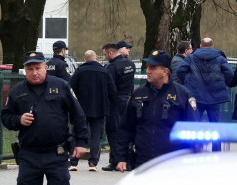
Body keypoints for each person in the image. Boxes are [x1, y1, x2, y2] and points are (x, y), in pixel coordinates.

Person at [0, 51, 89, 185]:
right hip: (29, 154)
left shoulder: (60, 86)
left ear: (44, 68)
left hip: (56, 153)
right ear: (25, 70)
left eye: (38, 68)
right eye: (30, 69)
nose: (34, 72)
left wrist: (82, 142)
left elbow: (78, 115)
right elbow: (6, 116)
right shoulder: (17, 91)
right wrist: (18, 119)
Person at [114, 51, 197, 170]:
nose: (148, 70)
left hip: (173, 162)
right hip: (142, 162)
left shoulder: (182, 95)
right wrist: (121, 157)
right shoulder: (138, 94)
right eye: (148, 67)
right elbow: (126, 128)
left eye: (153, 67)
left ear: (165, 71)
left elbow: (192, 129)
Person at [68, 50, 116, 171]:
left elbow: (71, 88)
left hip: (81, 109)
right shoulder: (104, 71)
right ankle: (93, 163)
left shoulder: (80, 71)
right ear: (96, 59)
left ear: (85, 59)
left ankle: (73, 162)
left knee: (77, 134)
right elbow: (112, 91)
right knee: (95, 136)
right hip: (99, 109)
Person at [102, 40, 136, 170]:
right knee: (127, 130)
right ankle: (128, 160)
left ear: (111, 53)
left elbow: (110, 87)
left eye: (105, 54)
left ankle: (115, 161)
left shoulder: (111, 68)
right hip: (128, 99)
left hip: (116, 102)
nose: (105, 57)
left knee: (113, 131)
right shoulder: (131, 64)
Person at [183, 37, 233, 123]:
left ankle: (195, 136)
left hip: (196, 94)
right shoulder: (220, 58)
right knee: (214, 123)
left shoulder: (190, 58)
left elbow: (180, 71)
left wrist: (187, 83)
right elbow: (230, 73)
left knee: (194, 121)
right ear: (212, 46)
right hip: (214, 95)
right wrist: (223, 84)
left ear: (200, 46)